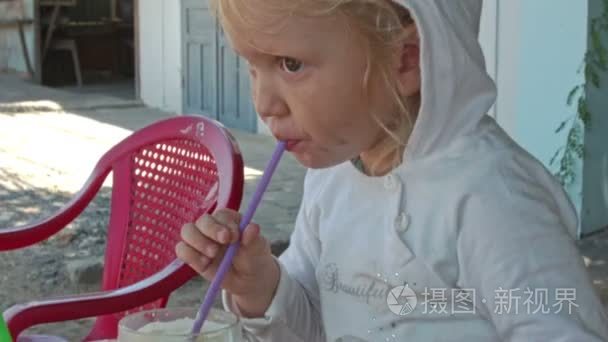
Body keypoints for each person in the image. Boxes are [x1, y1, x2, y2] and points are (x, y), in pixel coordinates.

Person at [176, 0, 608, 340]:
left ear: (405, 60)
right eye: (252, 66)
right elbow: (313, 325)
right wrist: (259, 287)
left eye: (290, 64)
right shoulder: (331, 179)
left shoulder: (491, 196)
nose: (263, 103)